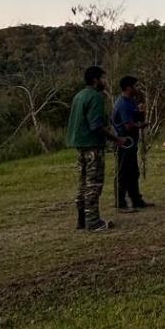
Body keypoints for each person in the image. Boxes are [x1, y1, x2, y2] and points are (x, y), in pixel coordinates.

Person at [66, 66, 131, 232]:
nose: (105, 82)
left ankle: (82, 220)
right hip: (92, 146)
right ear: (95, 80)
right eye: (103, 78)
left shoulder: (79, 96)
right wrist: (117, 139)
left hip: (79, 146)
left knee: (82, 184)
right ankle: (93, 222)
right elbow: (96, 125)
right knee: (94, 184)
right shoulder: (96, 97)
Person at [112, 75, 153, 211]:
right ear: (128, 87)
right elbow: (128, 126)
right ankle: (121, 203)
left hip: (131, 143)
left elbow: (136, 118)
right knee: (123, 172)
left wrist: (141, 113)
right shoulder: (122, 104)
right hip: (124, 142)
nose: (137, 88)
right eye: (135, 86)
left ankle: (136, 199)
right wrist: (141, 125)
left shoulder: (131, 102)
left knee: (133, 172)